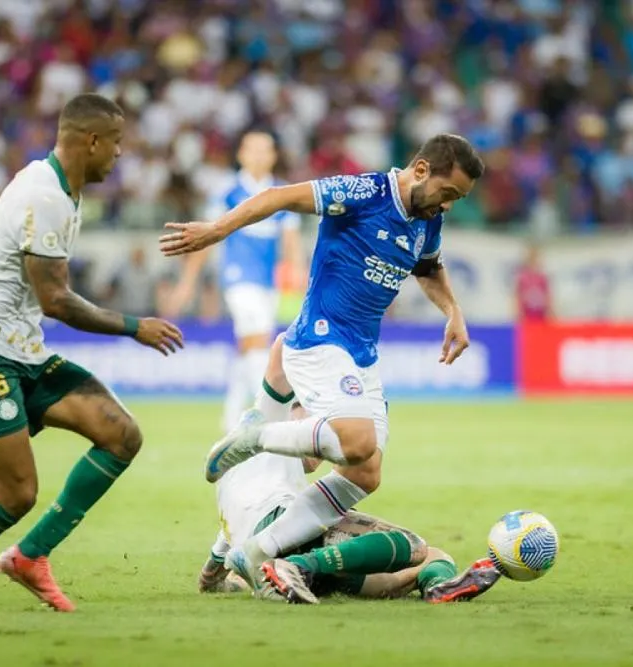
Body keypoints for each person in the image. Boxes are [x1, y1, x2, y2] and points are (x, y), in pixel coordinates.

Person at [0, 94, 184, 613]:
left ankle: (31, 556)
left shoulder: (63, 190)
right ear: (91, 141)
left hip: (22, 352)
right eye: (115, 143)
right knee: (16, 493)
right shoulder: (43, 194)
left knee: (120, 435)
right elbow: (57, 300)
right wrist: (134, 326)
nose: (119, 154)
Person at [160, 134, 484, 590]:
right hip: (319, 339)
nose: (448, 206)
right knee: (356, 440)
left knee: (365, 471)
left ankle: (256, 552)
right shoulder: (364, 193)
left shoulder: (428, 218)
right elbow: (278, 196)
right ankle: (256, 438)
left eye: (458, 199)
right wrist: (218, 230)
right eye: (448, 193)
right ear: (422, 170)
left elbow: (427, 269)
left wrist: (453, 312)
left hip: (362, 354)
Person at [197, 336, 499, 605]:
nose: (326, 440)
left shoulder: (231, 465)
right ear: (296, 409)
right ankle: (299, 566)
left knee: (422, 566)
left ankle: (435, 586)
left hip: (261, 544)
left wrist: (211, 577)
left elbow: (222, 546)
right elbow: (281, 348)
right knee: (414, 547)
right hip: (281, 530)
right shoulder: (265, 427)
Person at [165, 130, 306, 432]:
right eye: (252, 150)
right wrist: (187, 283)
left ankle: (231, 418)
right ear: (241, 155)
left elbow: (291, 243)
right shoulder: (228, 191)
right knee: (257, 341)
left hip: (269, 283)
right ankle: (269, 417)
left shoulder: (283, 193)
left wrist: (300, 276)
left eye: (265, 150)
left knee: (251, 345)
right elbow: (206, 237)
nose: (258, 156)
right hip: (238, 279)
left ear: (273, 156)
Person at [514, 244, 551, 322]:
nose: (534, 259)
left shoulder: (542, 277)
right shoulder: (522, 277)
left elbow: (548, 297)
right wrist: (518, 314)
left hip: (541, 316)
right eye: (531, 256)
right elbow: (517, 296)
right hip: (527, 316)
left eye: (535, 257)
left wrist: (551, 313)